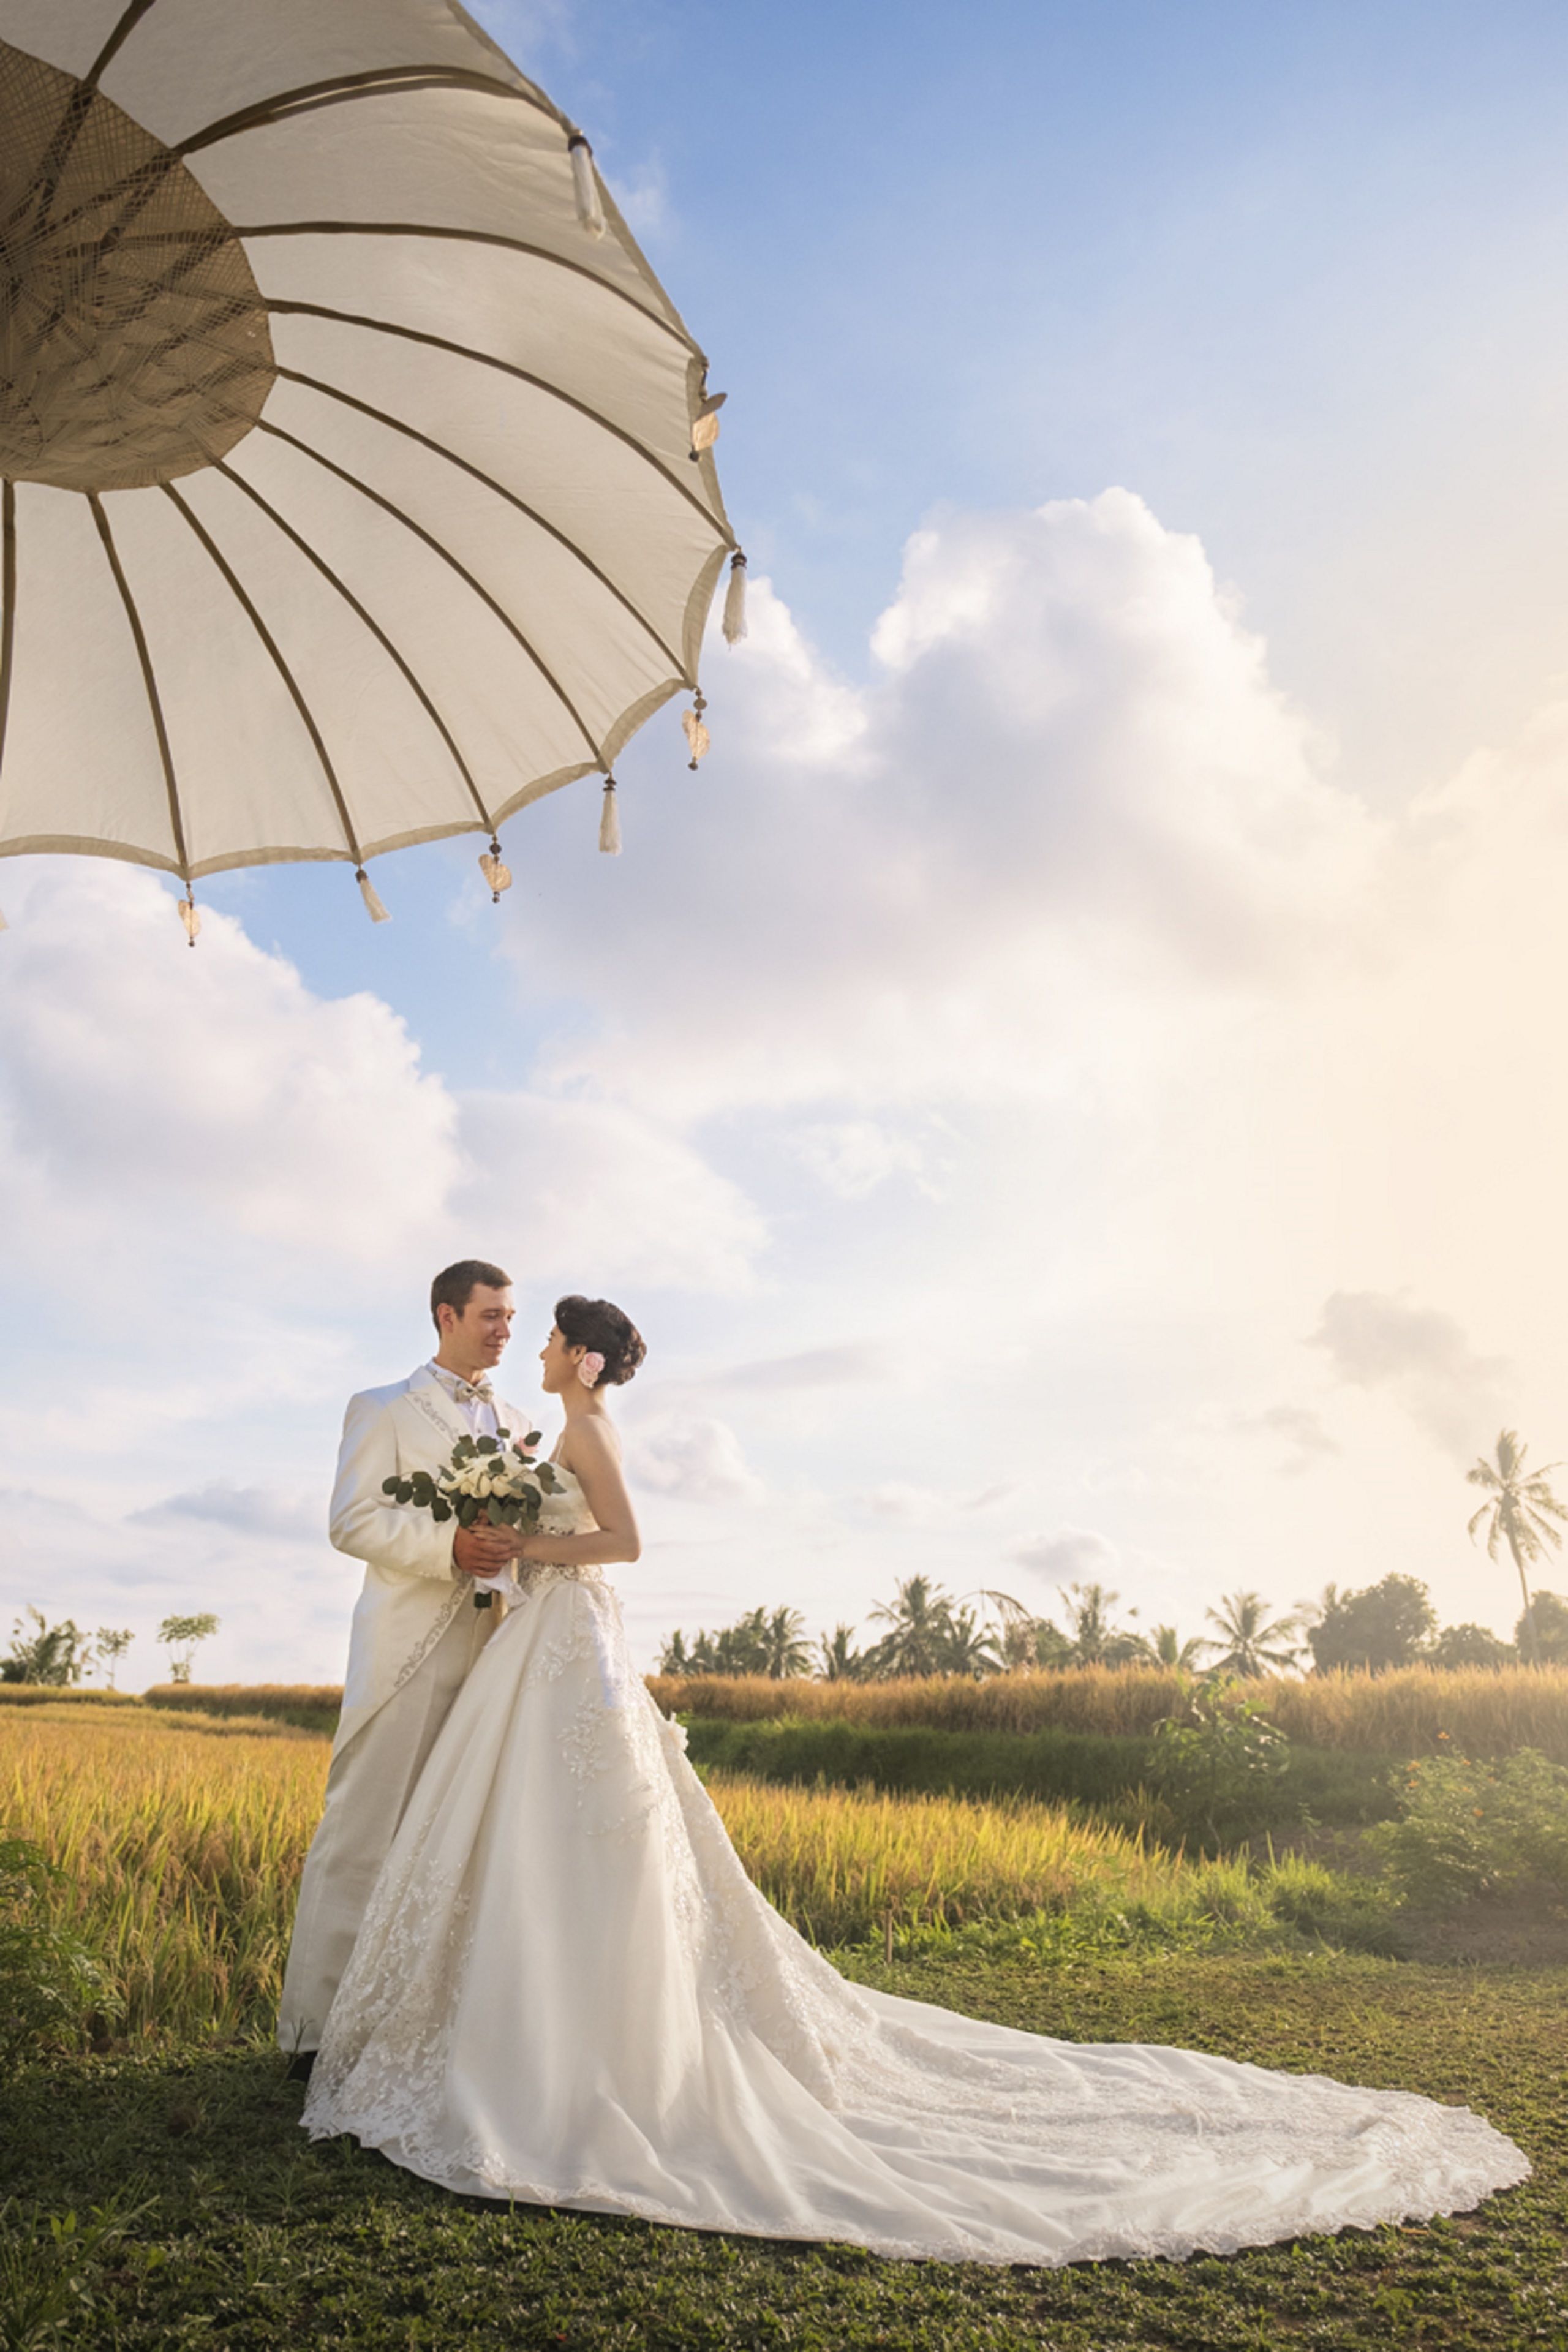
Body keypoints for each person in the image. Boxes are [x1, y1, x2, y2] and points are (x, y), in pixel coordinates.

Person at [302, 1297, 1528, 2263]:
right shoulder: (548, 1431)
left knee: (587, 1835)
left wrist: (533, 1543)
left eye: (554, 1337)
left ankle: (583, 2044)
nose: (543, 1348)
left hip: (573, 1632)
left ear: (582, 1359)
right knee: (546, 1836)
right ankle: (516, 2014)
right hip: (548, 1644)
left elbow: (624, 1543)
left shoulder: (580, 1432)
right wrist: (507, 1542)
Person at [276, 1258, 537, 2071]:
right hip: (406, 1644)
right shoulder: (382, 1407)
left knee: (453, 1839)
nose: (505, 1330)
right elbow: (352, 1520)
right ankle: (312, 2033)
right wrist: (446, 1547)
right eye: (491, 1315)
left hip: (495, 1648)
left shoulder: (518, 1418)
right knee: (363, 1829)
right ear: (445, 1315)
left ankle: (411, 2027)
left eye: (511, 1317)